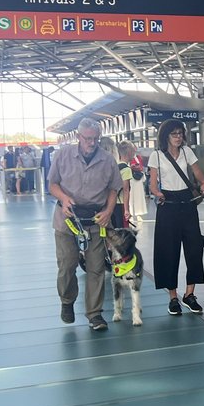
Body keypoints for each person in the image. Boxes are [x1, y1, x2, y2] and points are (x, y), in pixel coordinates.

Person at [48, 117, 122, 331]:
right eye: (88, 139)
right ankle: (67, 300)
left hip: (96, 219)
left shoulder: (107, 159)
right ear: (78, 137)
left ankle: (95, 314)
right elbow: (52, 184)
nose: (91, 143)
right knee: (67, 264)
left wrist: (109, 211)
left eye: (95, 139)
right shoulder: (63, 155)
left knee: (96, 268)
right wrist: (63, 198)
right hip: (67, 219)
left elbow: (113, 188)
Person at [148, 119, 204, 316]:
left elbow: (199, 175)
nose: (178, 137)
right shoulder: (156, 156)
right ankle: (173, 297)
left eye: (180, 133)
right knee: (169, 251)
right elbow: (152, 184)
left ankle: (189, 294)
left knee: (194, 248)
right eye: (174, 134)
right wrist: (157, 194)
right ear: (165, 136)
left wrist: (203, 184)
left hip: (187, 202)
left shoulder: (187, 152)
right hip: (167, 203)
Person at [117, 141, 139, 228]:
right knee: (123, 232)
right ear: (129, 152)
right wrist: (126, 210)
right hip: (121, 204)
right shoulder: (126, 169)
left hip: (111, 204)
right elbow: (125, 190)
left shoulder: (115, 166)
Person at [128, 151, 148, 221]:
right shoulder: (126, 158)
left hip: (138, 180)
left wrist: (138, 168)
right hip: (130, 179)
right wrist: (131, 167)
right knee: (130, 197)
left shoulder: (138, 157)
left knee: (139, 197)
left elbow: (141, 167)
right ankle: (130, 213)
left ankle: (138, 213)